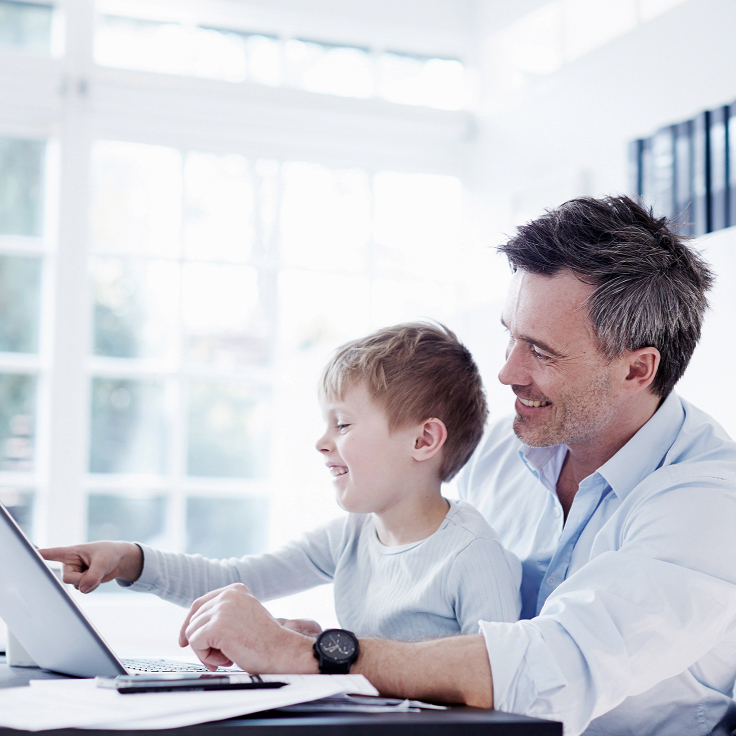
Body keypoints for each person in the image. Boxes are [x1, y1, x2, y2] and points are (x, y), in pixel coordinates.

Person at [112, 195, 734, 736]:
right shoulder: (503, 449)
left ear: (636, 370)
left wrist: (308, 653)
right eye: (510, 335)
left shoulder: (707, 503)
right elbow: (423, 571)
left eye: (541, 351)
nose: (507, 372)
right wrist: (297, 638)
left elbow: (546, 666)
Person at [42, 323, 521, 644]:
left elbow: (498, 691)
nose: (321, 442)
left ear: (423, 439)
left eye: (344, 424)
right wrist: (127, 559)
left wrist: (321, 654)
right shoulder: (351, 537)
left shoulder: (472, 555)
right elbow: (230, 580)